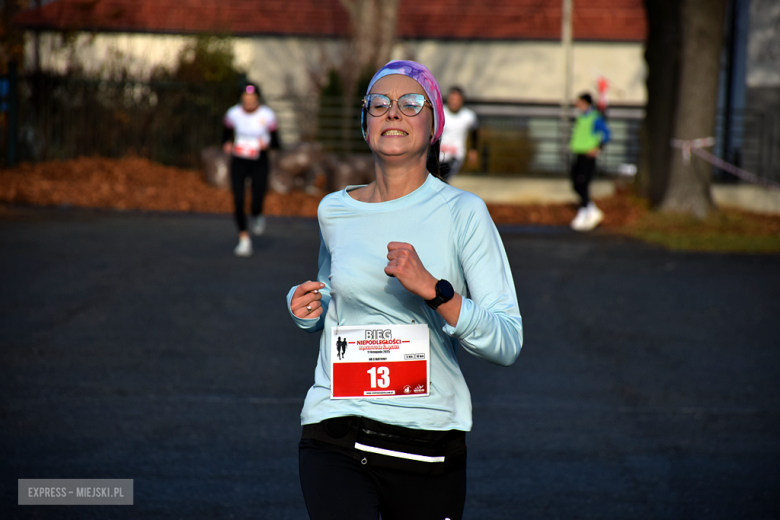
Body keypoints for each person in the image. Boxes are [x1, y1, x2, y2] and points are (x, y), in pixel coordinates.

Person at [286, 60, 523, 520]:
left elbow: (508, 340)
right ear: (364, 122)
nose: (393, 113)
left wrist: (436, 291)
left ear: (434, 125)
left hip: (428, 443)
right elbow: (339, 300)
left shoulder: (463, 212)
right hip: (337, 428)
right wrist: (308, 309)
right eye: (379, 104)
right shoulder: (334, 210)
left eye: (410, 103)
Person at [222, 83, 281, 256]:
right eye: (245, 99)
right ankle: (244, 239)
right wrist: (226, 143)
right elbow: (225, 132)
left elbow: (277, 141)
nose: (248, 103)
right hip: (239, 159)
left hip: (259, 160)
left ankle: (257, 214)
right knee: (238, 199)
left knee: (257, 198)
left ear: (257, 99)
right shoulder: (233, 113)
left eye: (252, 100)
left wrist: (267, 144)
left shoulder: (267, 115)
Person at [569, 92, 611, 231]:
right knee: (576, 183)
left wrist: (598, 148)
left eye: (579, 101)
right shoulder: (581, 117)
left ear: (585, 102)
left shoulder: (595, 118)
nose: (576, 103)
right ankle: (591, 210)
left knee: (583, 183)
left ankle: (584, 212)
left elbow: (606, 133)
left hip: (588, 155)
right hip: (578, 153)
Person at [439, 86, 479, 183]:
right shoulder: (440, 112)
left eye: (457, 99)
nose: (454, 102)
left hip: (455, 155)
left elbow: (475, 130)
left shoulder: (468, 116)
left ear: (462, 101)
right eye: (452, 99)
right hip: (439, 154)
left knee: (443, 179)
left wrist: (473, 150)